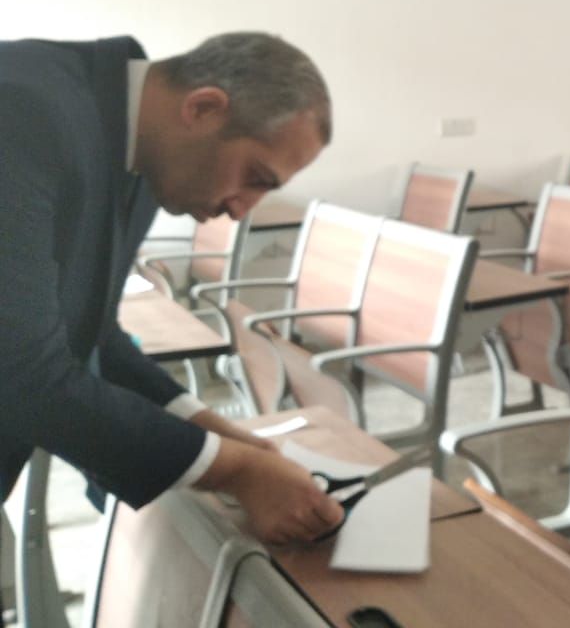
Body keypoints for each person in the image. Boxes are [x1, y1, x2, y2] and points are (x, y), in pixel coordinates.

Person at [0, 32, 345, 546]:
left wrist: (213, 430)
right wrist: (234, 469)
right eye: (255, 176)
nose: (241, 210)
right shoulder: (21, 108)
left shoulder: (138, 146)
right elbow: (19, 372)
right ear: (203, 108)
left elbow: (91, 333)